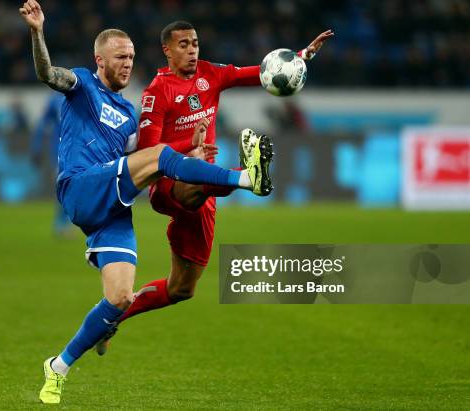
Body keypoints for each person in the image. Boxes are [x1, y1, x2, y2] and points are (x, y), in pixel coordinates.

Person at [19, 0, 272, 404]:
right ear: (99, 59)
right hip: (82, 187)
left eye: (132, 57)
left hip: (112, 209)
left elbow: (151, 158)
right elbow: (47, 73)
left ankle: (58, 366)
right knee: (158, 160)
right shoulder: (83, 85)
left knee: (119, 298)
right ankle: (244, 178)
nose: (127, 64)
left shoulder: (128, 111)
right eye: (120, 57)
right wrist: (37, 32)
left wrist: (189, 149)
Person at [96, 21, 333, 352]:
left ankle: (111, 319)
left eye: (195, 43)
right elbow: (147, 155)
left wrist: (303, 55)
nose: (192, 50)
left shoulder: (211, 74)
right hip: (169, 184)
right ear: (167, 50)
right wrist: (185, 149)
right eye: (183, 45)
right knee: (199, 180)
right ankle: (246, 173)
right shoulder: (156, 93)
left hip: (203, 188)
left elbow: (259, 74)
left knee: (181, 289)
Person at [30, 91, 72, 234]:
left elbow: (42, 125)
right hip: (61, 150)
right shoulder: (55, 100)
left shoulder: (79, 95)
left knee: (70, 186)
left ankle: (63, 223)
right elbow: (42, 125)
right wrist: (37, 147)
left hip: (77, 149)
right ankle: (61, 224)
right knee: (65, 185)